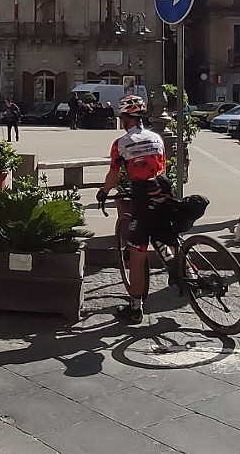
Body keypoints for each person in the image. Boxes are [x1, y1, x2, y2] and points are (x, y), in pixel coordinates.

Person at [97, 94, 168, 324]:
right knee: (168, 238)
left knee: (137, 255)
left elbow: (114, 176)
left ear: (126, 118)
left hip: (142, 198)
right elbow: (161, 168)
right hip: (164, 194)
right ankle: (186, 273)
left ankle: (136, 308)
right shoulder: (157, 138)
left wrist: (103, 192)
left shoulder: (121, 143)